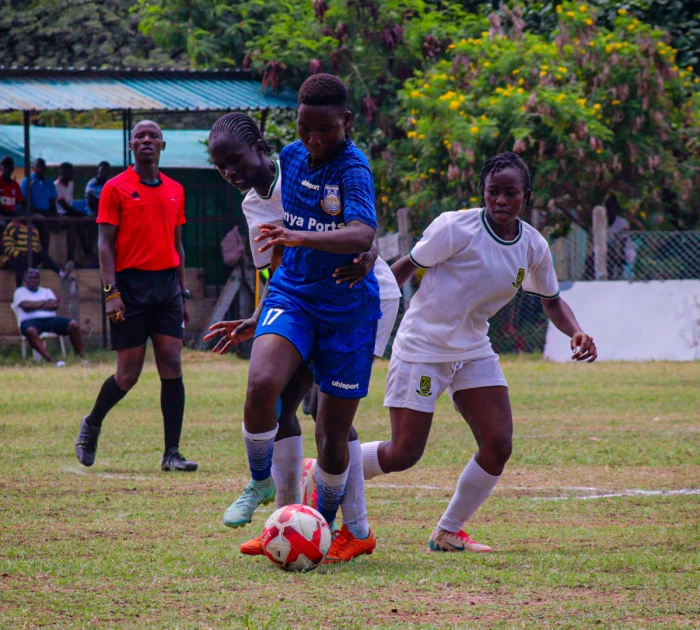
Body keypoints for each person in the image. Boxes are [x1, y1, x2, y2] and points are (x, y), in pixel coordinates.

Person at [357, 151, 597, 553]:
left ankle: (448, 532)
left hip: (472, 348)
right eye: (493, 192)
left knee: (498, 443)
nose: (501, 201)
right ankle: (329, 469)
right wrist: (369, 315)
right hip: (423, 348)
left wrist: (576, 331)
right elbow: (404, 267)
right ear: (482, 192)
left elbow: (552, 301)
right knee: (404, 453)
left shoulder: (532, 246)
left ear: (526, 196)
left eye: (510, 194)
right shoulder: (455, 227)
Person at [204, 110, 401, 562]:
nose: (230, 173)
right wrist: (258, 317)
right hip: (299, 297)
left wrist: (369, 255)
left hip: (359, 295)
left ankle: (356, 530)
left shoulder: (311, 164)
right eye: (221, 167)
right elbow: (276, 269)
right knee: (277, 400)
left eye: (235, 160)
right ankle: (287, 523)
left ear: (261, 147)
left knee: (329, 414)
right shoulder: (253, 206)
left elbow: (361, 228)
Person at [74, 121, 197, 473]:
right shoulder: (115, 188)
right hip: (129, 287)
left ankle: (171, 453)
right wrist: (111, 292)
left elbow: (178, 245)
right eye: (140, 136)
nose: (146, 140)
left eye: (153, 135)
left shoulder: (176, 189)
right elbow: (104, 244)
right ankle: (92, 423)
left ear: (163, 144)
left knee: (172, 365)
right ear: (131, 145)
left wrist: (183, 291)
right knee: (128, 375)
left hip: (167, 287)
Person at [12, 268, 86, 366]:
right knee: (30, 331)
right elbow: (26, 306)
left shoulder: (46, 291)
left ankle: (80, 357)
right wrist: (44, 303)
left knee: (73, 324)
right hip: (29, 321)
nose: (33, 280)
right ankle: (50, 359)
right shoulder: (20, 291)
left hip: (50, 320)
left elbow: (54, 305)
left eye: (36, 278)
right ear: (26, 280)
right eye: (31, 278)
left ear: (39, 280)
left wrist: (34, 305)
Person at [1, 216, 72, 288]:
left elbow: (35, 246)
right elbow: (7, 246)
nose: (24, 217)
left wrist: (30, 254)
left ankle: (62, 274)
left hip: (27, 257)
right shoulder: (11, 226)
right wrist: (18, 254)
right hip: (12, 258)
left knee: (42, 255)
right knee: (20, 262)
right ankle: (19, 290)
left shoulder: (33, 229)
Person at [56, 161, 97, 264]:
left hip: (69, 212)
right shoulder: (56, 186)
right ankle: (71, 258)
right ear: (63, 172)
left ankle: (88, 252)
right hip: (60, 213)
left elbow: (71, 203)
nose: (72, 174)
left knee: (90, 221)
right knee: (75, 222)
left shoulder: (71, 184)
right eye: (70, 172)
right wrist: (80, 214)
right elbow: (64, 206)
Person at [20, 158, 58, 253]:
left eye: (43, 165)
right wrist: (40, 212)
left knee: (68, 221)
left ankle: (72, 259)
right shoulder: (28, 181)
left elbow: (52, 201)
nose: (41, 168)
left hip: (47, 212)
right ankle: (45, 255)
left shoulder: (49, 182)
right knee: (42, 221)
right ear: (34, 168)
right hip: (32, 213)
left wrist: (54, 215)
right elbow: (24, 202)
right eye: (38, 166)